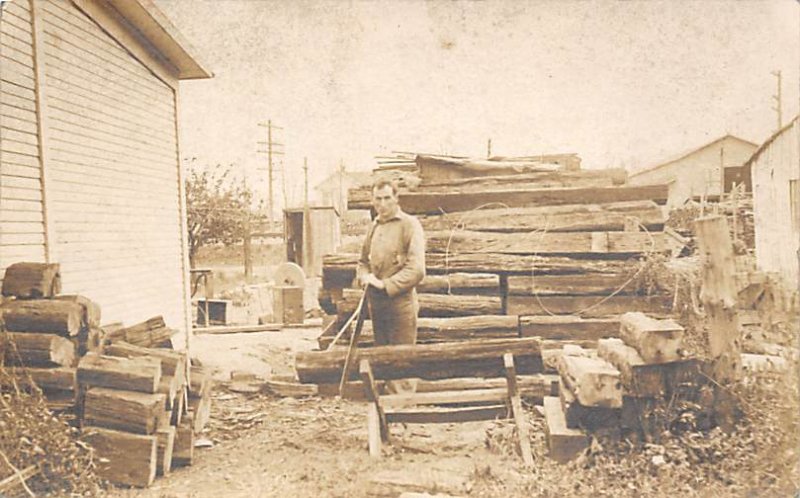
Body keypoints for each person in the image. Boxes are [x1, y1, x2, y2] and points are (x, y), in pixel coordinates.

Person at [357, 179, 425, 392]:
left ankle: (405, 413)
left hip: (401, 304)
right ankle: (387, 414)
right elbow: (362, 262)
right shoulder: (374, 227)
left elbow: (417, 270)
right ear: (372, 201)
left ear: (396, 198)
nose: (383, 203)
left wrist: (385, 285)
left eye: (387, 198)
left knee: (402, 361)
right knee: (384, 360)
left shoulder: (409, 225)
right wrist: (364, 277)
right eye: (378, 199)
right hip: (377, 305)